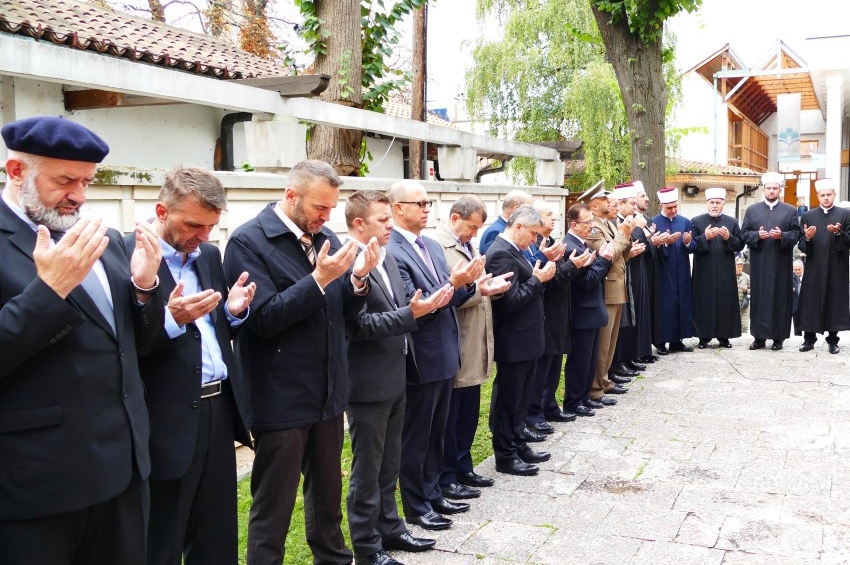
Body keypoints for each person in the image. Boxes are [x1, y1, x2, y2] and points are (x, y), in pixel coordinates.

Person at [0, 116, 165, 564]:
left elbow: (134, 346)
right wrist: (48, 292)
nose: (79, 194)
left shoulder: (104, 239)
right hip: (39, 486)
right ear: (18, 173)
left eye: (87, 181)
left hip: (123, 471)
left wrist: (146, 289)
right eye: (65, 180)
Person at [223, 159, 380, 565]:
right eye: (319, 207)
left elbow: (343, 314)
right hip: (281, 398)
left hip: (328, 393)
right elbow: (263, 320)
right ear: (291, 196)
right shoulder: (248, 242)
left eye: (331, 208)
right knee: (274, 506)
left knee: (327, 499)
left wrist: (359, 280)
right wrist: (319, 280)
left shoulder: (324, 236)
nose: (327, 217)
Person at [138, 167, 256, 565]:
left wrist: (234, 313)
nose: (203, 236)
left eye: (210, 226)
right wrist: (171, 320)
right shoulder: (129, 256)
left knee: (218, 529)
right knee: (163, 535)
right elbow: (127, 345)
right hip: (165, 417)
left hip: (217, 409)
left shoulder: (207, 253)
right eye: (193, 225)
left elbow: (211, 328)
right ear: (161, 211)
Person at [344, 190, 454, 565]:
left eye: (391, 219)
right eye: (383, 220)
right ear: (359, 224)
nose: (391, 226)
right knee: (367, 468)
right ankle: (366, 545)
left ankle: (391, 528)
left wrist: (415, 310)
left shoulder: (386, 256)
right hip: (366, 382)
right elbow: (358, 325)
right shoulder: (347, 263)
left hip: (396, 373)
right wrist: (413, 314)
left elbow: (399, 307)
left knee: (390, 462)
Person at [386, 180, 482, 531]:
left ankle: (433, 490)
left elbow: (450, 299)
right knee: (417, 435)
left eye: (429, 203)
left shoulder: (431, 245)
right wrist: (454, 284)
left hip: (445, 351)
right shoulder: (392, 249)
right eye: (420, 203)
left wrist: (466, 284)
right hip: (421, 356)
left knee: (437, 431)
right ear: (398, 208)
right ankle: (416, 504)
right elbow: (415, 305)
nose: (427, 209)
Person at [434, 195, 512, 498]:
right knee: (452, 414)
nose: (474, 234)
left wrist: (486, 288)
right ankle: (448, 473)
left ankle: (464, 466)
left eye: (478, 228)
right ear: (455, 218)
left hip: (475, 336)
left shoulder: (467, 244)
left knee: (468, 411)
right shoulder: (439, 246)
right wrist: (479, 290)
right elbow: (444, 293)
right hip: (457, 339)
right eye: (471, 227)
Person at [485, 204, 556, 476]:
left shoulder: (517, 251)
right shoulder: (500, 254)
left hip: (527, 339)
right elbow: (509, 302)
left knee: (521, 398)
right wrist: (538, 280)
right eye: (534, 234)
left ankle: (517, 443)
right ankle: (505, 454)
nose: (535, 241)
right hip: (513, 341)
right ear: (518, 227)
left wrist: (539, 279)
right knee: (509, 399)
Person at [527, 203, 588, 432]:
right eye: (548, 215)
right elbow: (550, 278)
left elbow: (560, 275)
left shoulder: (553, 243)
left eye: (554, 215)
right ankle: (535, 411)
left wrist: (573, 265)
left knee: (554, 363)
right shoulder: (535, 247)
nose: (553, 219)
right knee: (542, 366)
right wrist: (573, 265)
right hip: (546, 310)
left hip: (560, 311)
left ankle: (550, 405)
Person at [562, 203, 613, 417]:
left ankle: (584, 396)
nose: (591, 226)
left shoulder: (582, 244)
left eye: (592, 221)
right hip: (581, 311)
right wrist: (604, 260)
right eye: (587, 222)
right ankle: (573, 401)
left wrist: (600, 260)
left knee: (589, 358)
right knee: (580, 360)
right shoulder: (569, 246)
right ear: (574, 224)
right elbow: (586, 281)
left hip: (591, 310)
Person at [740, 172, 802, 351]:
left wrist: (781, 235)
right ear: (763, 190)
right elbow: (744, 234)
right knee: (759, 298)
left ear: (780, 190)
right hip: (759, 264)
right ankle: (758, 338)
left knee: (780, 298)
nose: (772, 191)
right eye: (769, 188)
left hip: (781, 264)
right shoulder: (752, 210)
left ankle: (778, 338)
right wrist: (757, 235)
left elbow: (796, 235)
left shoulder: (790, 210)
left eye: (775, 188)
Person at [585, 185, 634, 406]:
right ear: (594, 206)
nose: (610, 203)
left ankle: (604, 381)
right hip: (606, 289)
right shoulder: (593, 228)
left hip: (617, 286)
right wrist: (623, 234)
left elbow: (622, 253)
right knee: (603, 343)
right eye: (606, 199)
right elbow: (608, 254)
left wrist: (625, 235)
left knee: (611, 341)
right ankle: (595, 388)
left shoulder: (607, 224)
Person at [797, 178, 850, 354]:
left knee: (834, 302)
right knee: (810, 302)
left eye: (829, 194)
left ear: (834, 195)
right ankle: (809, 339)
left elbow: (848, 243)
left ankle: (833, 341)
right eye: (822, 195)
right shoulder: (808, 216)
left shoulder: (845, 214)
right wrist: (808, 238)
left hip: (837, 267)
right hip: (814, 268)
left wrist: (839, 233)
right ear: (818, 196)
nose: (826, 197)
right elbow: (802, 246)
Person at [690, 187, 745, 348]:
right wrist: (704, 238)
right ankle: (703, 337)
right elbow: (691, 245)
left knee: (725, 301)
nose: (714, 205)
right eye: (712, 202)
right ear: (707, 203)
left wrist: (729, 238)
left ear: (723, 204)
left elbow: (740, 245)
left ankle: (724, 336)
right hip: (703, 271)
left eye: (718, 203)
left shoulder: (732, 222)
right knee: (704, 302)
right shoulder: (696, 221)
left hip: (725, 270)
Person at [651, 187, 697, 353]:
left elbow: (693, 247)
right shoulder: (654, 222)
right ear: (661, 206)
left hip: (682, 271)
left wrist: (687, 242)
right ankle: (661, 342)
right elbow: (651, 249)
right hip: (663, 273)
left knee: (681, 303)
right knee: (666, 306)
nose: (673, 210)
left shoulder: (685, 221)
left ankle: (678, 341)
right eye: (669, 207)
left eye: (675, 206)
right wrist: (665, 243)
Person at [478, 189, 533, 254]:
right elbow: (497, 261)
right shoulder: (495, 232)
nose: (532, 215)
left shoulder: (520, 229)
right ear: (517, 210)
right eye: (530, 210)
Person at [737, 258, 750, 334]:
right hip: (733, 304)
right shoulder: (729, 275)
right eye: (738, 266)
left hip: (744, 303)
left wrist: (746, 290)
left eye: (742, 266)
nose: (740, 268)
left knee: (744, 326)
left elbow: (753, 289)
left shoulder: (746, 276)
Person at [792, 260, 803, 336]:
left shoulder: (808, 277)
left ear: (802, 268)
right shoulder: (790, 278)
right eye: (796, 270)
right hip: (795, 306)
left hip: (806, 306)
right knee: (797, 327)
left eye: (799, 269)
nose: (797, 271)